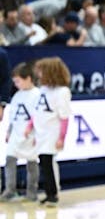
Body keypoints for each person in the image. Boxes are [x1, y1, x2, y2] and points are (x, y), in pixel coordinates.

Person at [26, 57, 72, 206]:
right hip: (40, 133)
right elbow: (36, 112)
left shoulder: (62, 92)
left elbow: (64, 117)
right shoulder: (43, 90)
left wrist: (62, 137)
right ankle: (48, 192)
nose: (38, 75)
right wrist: (30, 128)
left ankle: (53, 193)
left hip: (52, 133)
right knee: (43, 163)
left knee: (48, 162)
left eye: (41, 72)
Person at [2, 62, 40, 202]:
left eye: (18, 81)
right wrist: (9, 131)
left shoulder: (37, 94)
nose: (16, 84)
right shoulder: (17, 95)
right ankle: (10, 190)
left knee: (31, 162)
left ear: (28, 78)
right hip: (16, 133)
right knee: (10, 159)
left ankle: (32, 192)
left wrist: (36, 133)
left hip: (31, 135)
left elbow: (39, 115)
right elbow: (13, 116)